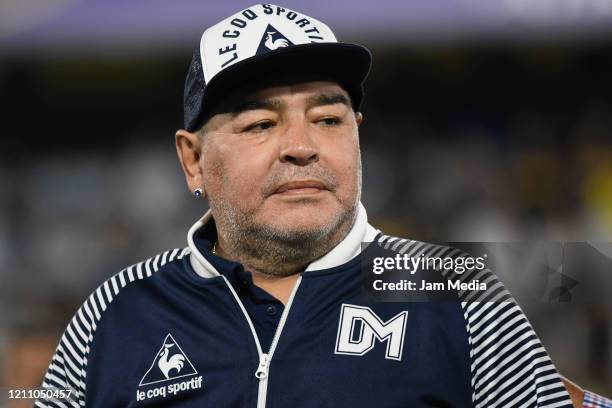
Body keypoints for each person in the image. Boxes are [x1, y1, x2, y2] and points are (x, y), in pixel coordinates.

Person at [36, 4, 610, 408]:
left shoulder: (456, 289)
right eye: (261, 123)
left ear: (357, 134)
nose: (302, 147)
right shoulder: (113, 312)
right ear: (193, 161)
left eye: (328, 119)